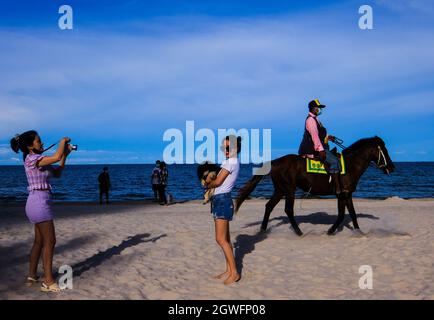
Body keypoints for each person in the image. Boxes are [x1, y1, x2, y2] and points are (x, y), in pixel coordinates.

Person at [10, 131, 73, 293]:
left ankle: (32, 275)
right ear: (30, 146)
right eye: (39, 141)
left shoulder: (40, 160)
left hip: (39, 202)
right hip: (38, 202)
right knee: (50, 241)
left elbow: (57, 173)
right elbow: (56, 156)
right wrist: (62, 141)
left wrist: (65, 154)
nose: (42, 143)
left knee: (39, 241)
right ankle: (48, 281)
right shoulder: (32, 159)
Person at [205, 135, 241, 285]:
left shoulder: (231, 162)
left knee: (220, 239)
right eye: (223, 147)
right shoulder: (231, 161)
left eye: (228, 148)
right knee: (225, 239)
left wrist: (206, 181)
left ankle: (235, 273)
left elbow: (218, 182)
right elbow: (220, 183)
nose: (225, 150)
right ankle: (229, 270)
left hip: (223, 201)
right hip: (221, 200)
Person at [298, 99, 347, 195]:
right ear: (313, 108)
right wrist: (320, 150)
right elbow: (314, 136)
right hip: (312, 149)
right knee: (334, 161)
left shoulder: (316, 120)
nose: (320, 110)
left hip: (318, 146)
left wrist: (328, 137)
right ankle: (337, 188)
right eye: (319, 108)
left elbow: (320, 135)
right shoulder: (311, 120)